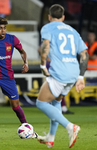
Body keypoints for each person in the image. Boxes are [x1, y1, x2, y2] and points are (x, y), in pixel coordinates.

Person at [36, 4, 88, 148]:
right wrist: (80, 77)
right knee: (56, 102)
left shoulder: (47, 27)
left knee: (41, 103)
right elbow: (84, 54)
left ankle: (70, 126)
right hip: (73, 73)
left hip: (60, 72)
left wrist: (42, 65)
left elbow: (45, 46)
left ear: (49, 16)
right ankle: (50, 138)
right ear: (63, 17)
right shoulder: (73, 31)